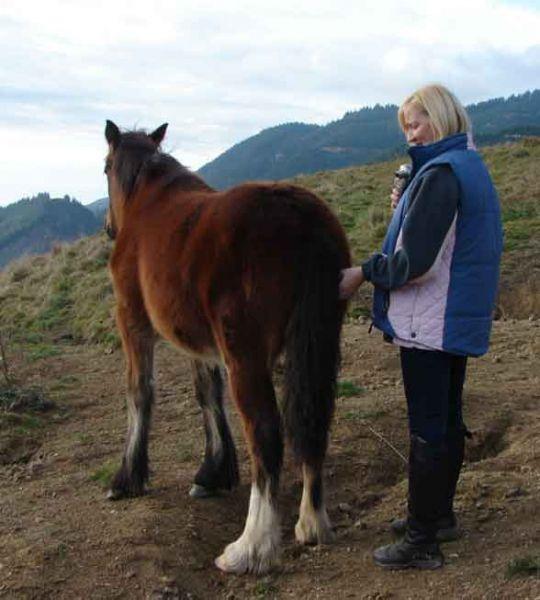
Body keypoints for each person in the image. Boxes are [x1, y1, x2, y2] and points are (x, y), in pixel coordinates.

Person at [340, 84, 503, 570]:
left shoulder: (439, 175)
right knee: (447, 422)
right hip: (451, 318)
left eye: (416, 123)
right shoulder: (464, 165)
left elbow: (416, 263)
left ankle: (420, 540)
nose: (409, 135)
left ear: (440, 117)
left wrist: (363, 272)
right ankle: (438, 516)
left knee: (429, 429)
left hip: (430, 321)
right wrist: (404, 207)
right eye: (405, 126)